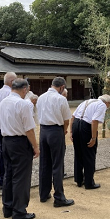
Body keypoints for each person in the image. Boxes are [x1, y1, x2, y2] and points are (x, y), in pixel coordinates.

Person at [0, 78, 39, 219]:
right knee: (21, 177)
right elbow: (29, 129)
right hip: (20, 142)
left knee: (9, 174)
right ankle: (19, 211)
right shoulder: (23, 104)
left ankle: (8, 207)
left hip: (6, 140)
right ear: (25, 89)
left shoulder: (3, 101)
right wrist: (35, 146)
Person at [37, 77, 74, 207]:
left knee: (44, 163)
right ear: (62, 87)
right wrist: (63, 131)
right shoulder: (61, 99)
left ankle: (43, 193)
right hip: (55, 130)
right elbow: (66, 120)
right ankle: (59, 197)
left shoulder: (40, 97)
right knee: (57, 164)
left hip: (43, 130)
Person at [70, 95, 110, 189]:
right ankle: (89, 182)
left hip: (76, 124)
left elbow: (73, 116)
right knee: (89, 154)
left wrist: (71, 131)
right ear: (107, 103)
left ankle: (79, 180)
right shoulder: (102, 105)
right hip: (86, 127)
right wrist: (93, 138)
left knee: (78, 153)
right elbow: (94, 121)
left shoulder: (86, 101)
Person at [0, 72, 17, 189]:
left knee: (3, 153)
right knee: (11, 154)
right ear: (12, 82)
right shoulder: (10, 93)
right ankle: (9, 179)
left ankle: (2, 179)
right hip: (9, 125)